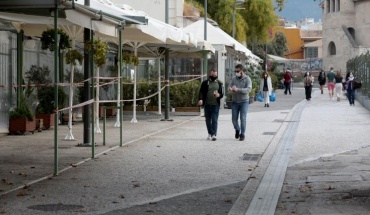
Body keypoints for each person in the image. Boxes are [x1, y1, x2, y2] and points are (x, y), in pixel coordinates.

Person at [198, 69, 224, 141]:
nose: (214, 76)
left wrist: (219, 95)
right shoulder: (205, 83)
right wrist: (200, 99)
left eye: (215, 75)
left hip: (215, 104)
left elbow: (222, 94)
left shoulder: (219, 83)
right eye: (213, 75)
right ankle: (210, 132)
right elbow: (201, 92)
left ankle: (213, 134)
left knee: (214, 120)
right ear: (210, 74)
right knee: (208, 120)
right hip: (207, 104)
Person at [228, 64, 252, 141]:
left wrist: (238, 90)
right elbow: (229, 86)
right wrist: (230, 88)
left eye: (238, 71)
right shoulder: (234, 79)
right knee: (234, 119)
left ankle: (243, 134)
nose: (236, 72)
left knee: (243, 118)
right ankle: (237, 129)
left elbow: (248, 89)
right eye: (235, 71)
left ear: (242, 71)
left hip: (244, 102)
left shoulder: (247, 79)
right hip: (235, 101)